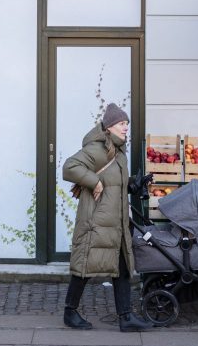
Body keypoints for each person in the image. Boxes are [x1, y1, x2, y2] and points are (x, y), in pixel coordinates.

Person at [60, 102, 151, 333]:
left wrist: (134, 184)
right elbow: (69, 167)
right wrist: (95, 181)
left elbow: (116, 185)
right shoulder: (98, 149)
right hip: (97, 220)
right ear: (109, 127)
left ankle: (126, 317)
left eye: (127, 124)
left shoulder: (118, 152)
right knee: (85, 266)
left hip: (117, 221)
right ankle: (70, 312)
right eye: (122, 124)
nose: (126, 128)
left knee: (121, 267)